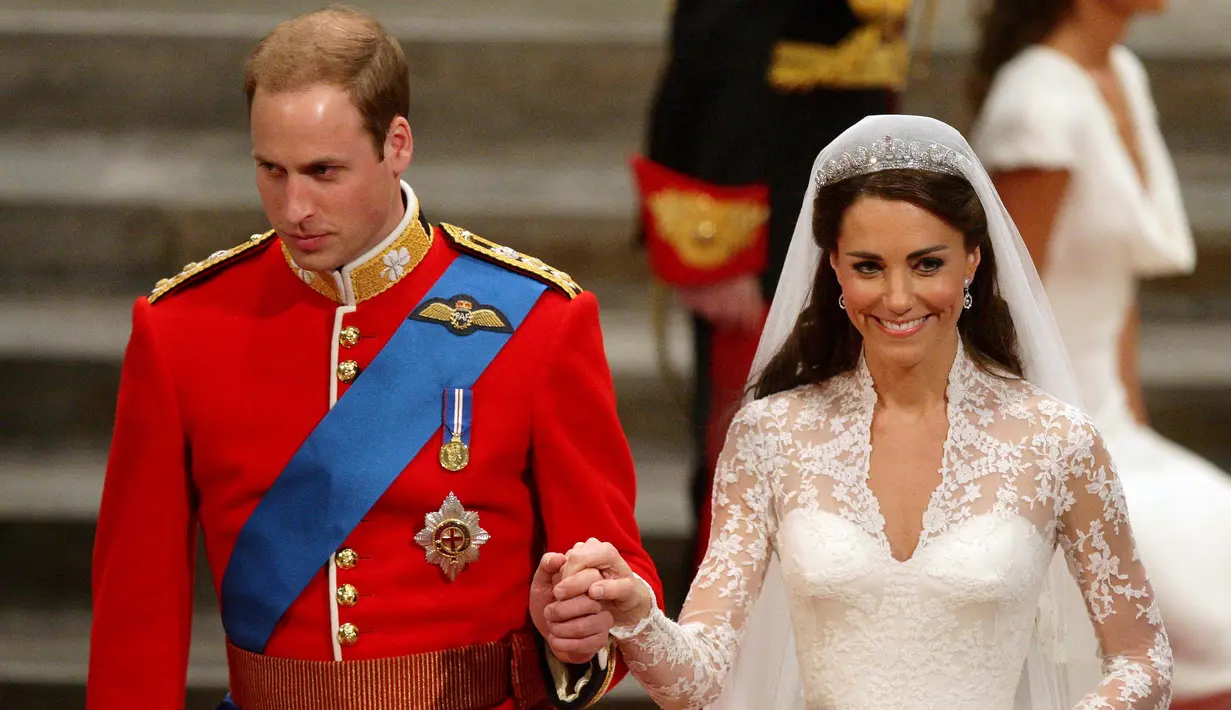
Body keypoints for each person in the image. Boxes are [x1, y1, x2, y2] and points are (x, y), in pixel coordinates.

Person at [87, 6, 661, 709]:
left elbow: (615, 573)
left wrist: (584, 627)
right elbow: (134, 607)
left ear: (397, 144)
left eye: (324, 171)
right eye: (271, 169)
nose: (293, 206)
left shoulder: (538, 320)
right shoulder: (180, 327)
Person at [540, 115, 1172, 709]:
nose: (899, 298)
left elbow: (1143, 659)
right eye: (869, 267)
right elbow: (699, 677)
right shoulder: (771, 435)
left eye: (928, 264)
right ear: (835, 268)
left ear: (973, 260)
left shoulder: (1057, 440)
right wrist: (636, 617)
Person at [970, 2, 1231, 707]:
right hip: (1042, 440)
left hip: (1114, 431)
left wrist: (1133, 434)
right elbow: (998, 308)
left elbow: (1116, 292)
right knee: (1210, 620)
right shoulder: (1035, 100)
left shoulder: (1119, 71)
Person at [633, 0, 915, 573]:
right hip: (771, 218)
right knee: (753, 446)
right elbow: (717, 52)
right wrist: (720, 244)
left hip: (845, 200)